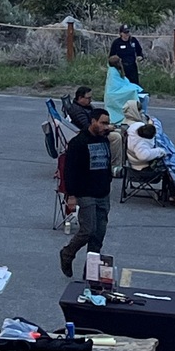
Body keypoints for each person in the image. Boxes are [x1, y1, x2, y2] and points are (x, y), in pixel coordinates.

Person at [60, 107, 115, 277]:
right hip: (86, 194)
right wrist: (71, 195)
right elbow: (69, 171)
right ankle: (68, 253)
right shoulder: (78, 143)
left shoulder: (104, 141)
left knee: (98, 236)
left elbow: (107, 165)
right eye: (103, 123)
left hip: (102, 194)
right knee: (88, 230)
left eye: (108, 123)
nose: (107, 127)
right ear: (93, 122)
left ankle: (90, 273)